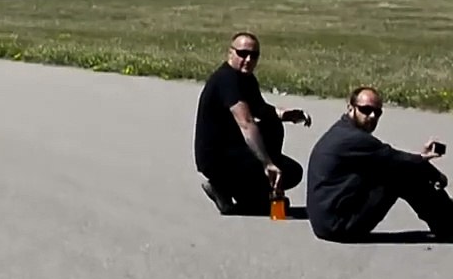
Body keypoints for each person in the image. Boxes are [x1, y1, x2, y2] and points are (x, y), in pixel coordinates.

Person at [306, 86, 453, 242]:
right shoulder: (352, 138)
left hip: (328, 223)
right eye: (366, 110)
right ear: (350, 108)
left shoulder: (342, 131)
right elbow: (394, 159)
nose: (372, 116)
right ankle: (450, 225)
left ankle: (448, 223)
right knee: (400, 176)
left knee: (396, 169)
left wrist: (421, 160)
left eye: (377, 112)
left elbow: (390, 159)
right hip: (339, 226)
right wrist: (435, 174)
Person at [193, 31, 312, 215]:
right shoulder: (227, 79)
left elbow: (261, 109)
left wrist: (287, 114)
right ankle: (224, 186)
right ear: (230, 53)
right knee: (286, 172)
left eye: (254, 55)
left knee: (290, 167)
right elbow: (247, 123)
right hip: (217, 158)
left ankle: (236, 192)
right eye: (242, 54)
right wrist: (267, 164)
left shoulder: (246, 79)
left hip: (234, 151)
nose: (248, 59)